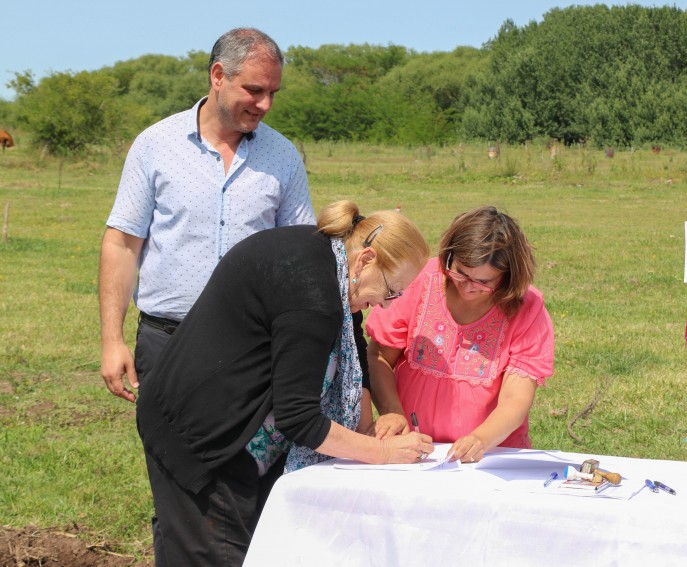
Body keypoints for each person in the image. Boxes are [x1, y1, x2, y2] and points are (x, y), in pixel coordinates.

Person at [136, 200, 434, 566]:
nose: (388, 305)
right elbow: (299, 418)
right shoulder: (314, 292)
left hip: (239, 425)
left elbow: (352, 350)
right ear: (367, 260)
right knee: (222, 557)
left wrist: (370, 424)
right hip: (201, 437)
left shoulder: (331, 264)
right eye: (391, 291)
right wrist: (382, 453)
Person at [99, 28, 315, 404]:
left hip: (253, 346)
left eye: (272, 93)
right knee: (169, 458)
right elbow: (122, 244)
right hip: (166, 340)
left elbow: (300, 256)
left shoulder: (283, 156)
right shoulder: (155, 145)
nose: (265, 104)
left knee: (252, 463)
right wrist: (112, 341)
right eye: (254, 90)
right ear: (218, 76)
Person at [365, 206, 555, 463]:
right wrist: (393, 414)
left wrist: (481, 439)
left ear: (509, 276)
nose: (467, 288)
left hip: (490, 457)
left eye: (484, 282)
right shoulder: (420, 280)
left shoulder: (526, 308)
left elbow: (516, 398)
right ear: (449, 255)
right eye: (461, 273)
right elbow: (380, 357)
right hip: (412, 449)